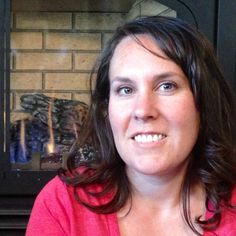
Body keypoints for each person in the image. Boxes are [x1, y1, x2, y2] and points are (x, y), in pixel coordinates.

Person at [26, 16, 236, 236]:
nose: (143, 110)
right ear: (107, 109)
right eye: (126, 89)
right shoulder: (63, 204)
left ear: (202, 101)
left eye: (166, 86)